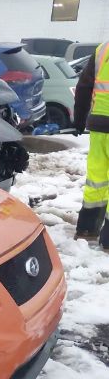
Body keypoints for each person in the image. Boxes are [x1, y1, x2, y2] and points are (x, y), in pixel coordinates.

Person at [73, 41, 109, 250]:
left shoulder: (103, 49)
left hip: (99, 126)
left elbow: (84, 86)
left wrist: (79, 119)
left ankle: (87, 228)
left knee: (96, 178)